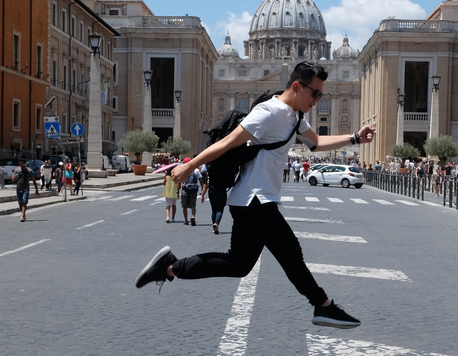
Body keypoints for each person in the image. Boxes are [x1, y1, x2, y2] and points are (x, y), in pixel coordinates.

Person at [135, 60, 375, 328]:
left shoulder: (294, 115)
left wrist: (355, 137)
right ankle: (170, 267)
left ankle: (323, 306)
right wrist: (190, 165)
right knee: (239, 264)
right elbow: (227, 142)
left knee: (291, 255)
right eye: (315, 93)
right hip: (253, 201)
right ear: (297, 86)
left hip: (264, 200)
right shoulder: (269, 111)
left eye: (321, 95)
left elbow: (316, 143)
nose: (318, 100)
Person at [11, 157, 39, 221]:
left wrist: (36, 190)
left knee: (24, 202)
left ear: (25, 163)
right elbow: (12, 179)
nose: (21, 165)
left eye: (22, 164)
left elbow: (34, 181)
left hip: (26, 188)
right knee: (20, 203)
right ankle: (23, 213)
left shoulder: (29, 171)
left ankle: (22, 216)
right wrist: (14, 178)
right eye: (20, 164)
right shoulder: (17, 170)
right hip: (18, 188)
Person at [180, 158, 202, 225]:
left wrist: (177, 192)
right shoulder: (196, 170)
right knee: (193, 205)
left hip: (185, 189)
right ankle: (193, 216)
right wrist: (202, 189)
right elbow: (201, 180)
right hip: (194, 190)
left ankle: (186, 220)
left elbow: (179, 181)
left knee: (184, 206)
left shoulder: (183, 170)